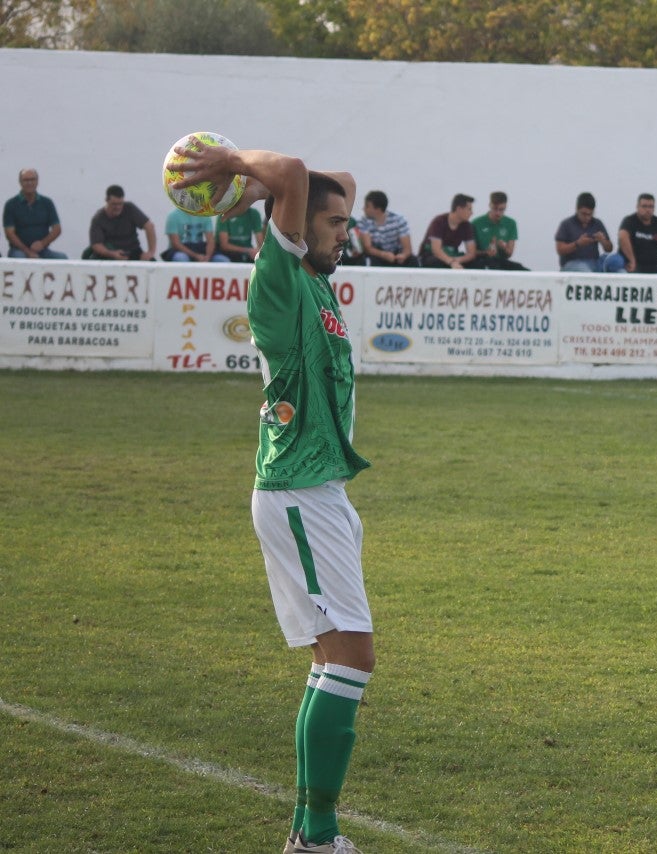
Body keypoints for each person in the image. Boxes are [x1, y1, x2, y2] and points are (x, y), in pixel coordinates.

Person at [169, 140, 373, 854]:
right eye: (337, 225)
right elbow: (291, 172)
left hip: (318, 488)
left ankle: (308, 833)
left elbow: (327, 179)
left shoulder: (314, 270)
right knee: (350, 657)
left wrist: (260, 192)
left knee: (332, 660)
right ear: (298, 227)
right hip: (298, 490)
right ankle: (316, 838)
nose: (348, 234)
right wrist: (234, 164)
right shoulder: (283, 276)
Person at [4, 168, 67, 259]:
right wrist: (27, 251)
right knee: (21, 260)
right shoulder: (11, 205)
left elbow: (57, 229)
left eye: (32, 179)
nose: (29, 183)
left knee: (62, 258)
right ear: (20, 182)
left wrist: (42, 243)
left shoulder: (47, 203)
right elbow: (9, 233)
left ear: (37, 182)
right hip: (19, 251)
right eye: (26, 180)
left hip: (42, 250)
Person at [555, 192, 624, 273]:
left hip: (595, 262)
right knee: (586, 271)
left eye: (590, 214)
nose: (587, 217)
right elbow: (560, 249)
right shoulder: (567, 224)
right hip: (572, 264)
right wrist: (578, 244)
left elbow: (609, 249)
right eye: (584, 214)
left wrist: (603, 241)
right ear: (577, 209)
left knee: (620, 270)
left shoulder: (597, 223)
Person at [611, 193, 657, 274]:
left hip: (653, 266)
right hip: (633, 265)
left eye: (651, 207)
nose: (647, 210)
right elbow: (622, 237)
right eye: (644, 206)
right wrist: (632, 261)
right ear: (637, 207)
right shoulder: (629, 221)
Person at [85, 185, 157, 261]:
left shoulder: (130, 208)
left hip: (133, 251)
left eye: (120, 203)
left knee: (152, 263)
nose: (118, 207)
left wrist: (150, 252)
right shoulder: (98, 218)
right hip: (109, 255)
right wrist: (112, 254)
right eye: (114, 204)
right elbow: (96, 244)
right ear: (106, 200)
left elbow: (149, 226)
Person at [419, 194, 482, 269]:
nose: (472, 213)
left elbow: (471, 253)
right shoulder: (439, 221)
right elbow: (436, 250)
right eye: (469, 209)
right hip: (433, 255)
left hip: (453, 255)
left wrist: (457, 260)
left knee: (477, 263)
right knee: (437, 263)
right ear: (459, 209)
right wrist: (451, 262)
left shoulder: (467, 226)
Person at [472, 191, 528, 271]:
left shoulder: (511, 223)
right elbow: (470, 253)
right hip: (481, 262)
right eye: (495, 209)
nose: (498, 213)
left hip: (500, 262)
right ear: (490, 205)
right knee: (491, 265)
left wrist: (504, 248)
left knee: (524, 271)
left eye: (501, 209)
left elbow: (509, 254)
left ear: (505, 206)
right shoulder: (476, 223)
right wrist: (486, 252)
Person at [358, 190, 415, 267]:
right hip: (377, 256)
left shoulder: (398, 220)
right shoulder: (364, 222)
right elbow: (368, 248)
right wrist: (383, 255)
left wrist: (403, 255)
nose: (363, 209)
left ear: (377, 209)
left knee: (413, 260)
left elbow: (407, 248)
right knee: (366, 260)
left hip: (396, 256)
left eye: (367, 206)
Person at [162, 206, 230, 262]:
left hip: (200, 248)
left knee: (223, 260)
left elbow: (211, 241)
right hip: (181, 249)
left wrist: (208, 256)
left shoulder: (205, 215)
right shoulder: (173, 216)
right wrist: (195, 256)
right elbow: (175, 244)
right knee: (181, 258)